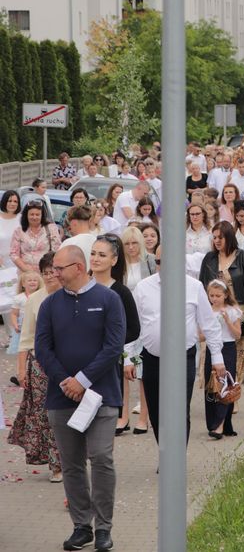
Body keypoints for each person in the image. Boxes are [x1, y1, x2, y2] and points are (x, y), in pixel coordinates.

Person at [35, 245, 126, 552]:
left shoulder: (109, 299)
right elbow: (43, 348)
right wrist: (65, 381)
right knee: (72, 464)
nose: (54, 274)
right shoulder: (50, 305)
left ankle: (104, 528)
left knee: (101, 457)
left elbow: (114, 346)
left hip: (101, 396)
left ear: (77, 267)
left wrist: (83, 380)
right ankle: (81, 526)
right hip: (61, 398)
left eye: (59, 269)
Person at [133, 247, 225, 443]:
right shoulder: (143, 287)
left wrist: (217, 358)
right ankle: (164, 452)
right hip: (152, 358)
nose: (163, 267)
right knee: (157, 412)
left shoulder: (194, 286)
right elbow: (134, 327)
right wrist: (129, 359)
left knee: (179, 410)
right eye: (158, 262)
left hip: (182, 357)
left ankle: (178, 459)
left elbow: (209, 324)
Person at [8, 252, 62, 482]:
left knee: (66, 414)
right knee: (45, 415)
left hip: (67, 363)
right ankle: (56, 464)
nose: (50, 276)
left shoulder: (70, 295)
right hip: (40, 364)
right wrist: (22, 371)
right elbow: (26, 339)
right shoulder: (35, 300)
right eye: (46, 272)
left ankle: (70, 459)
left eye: (53, 271)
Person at [90, 235, 144, 436]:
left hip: (109, 363)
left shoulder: (121, 292)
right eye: (93, 253)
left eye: (101, 255)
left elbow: (134, 329)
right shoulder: (79, 287)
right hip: (79, 363)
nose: (95, 259)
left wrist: (110, 344)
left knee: (103, 420)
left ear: (113, 260)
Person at [199, 221, 244, 386]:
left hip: (238, 311)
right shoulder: (209, 258)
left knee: (237, 356)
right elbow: (201, 287)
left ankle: (233, 392)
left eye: (221, 237)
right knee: (213, 351)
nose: (217, 241)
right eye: (214, 238)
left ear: (229, 237)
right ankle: (216, 390)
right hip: (214, 311)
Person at [203, 280, 242, 439]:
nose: (214, 298)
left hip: (227, 348)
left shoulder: (233, 311)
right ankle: (214, 423)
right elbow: (201, 334)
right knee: (211, 384)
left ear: (225, 295)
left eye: (218, 295)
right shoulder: (206, 311)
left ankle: (220, 424)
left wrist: (227, 321)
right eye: (211, 295)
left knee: (225, 385)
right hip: (211, 349)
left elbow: (237, 334)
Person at [10, 200, 61, 273]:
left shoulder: (51, 228)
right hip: (25, 275)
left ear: (42, 215)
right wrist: (27, 270)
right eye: (31, 214)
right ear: (26, 215)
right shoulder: (19, 231)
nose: (34, 217)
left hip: (46, 273)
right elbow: (13, 253)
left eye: (37, 215)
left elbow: (57, 251)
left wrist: (47, 269)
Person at [7, 269, 42, 357]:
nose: (32, 282)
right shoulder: (19, 298)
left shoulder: (41, 296)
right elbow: (14, 313)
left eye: (35, 280)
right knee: (25, 347)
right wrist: (15, 325)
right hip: (23, 327)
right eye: (29, 280)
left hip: (37, 325)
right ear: (23, 284)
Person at [121, 226, 158, 292]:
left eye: (134, 243)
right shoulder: (119, 262)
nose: (131, 247)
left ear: (140, 242)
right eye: (127, 244)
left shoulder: (151, 260)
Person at [62, 205, 97, 270]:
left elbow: (60, 265)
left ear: (74, 223)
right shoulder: (97, 241)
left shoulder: (68, 243)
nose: (69, 227)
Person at [0, 189, 21, 269]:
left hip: (18, 264)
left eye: (15, 201)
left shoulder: (22, 219)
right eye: (10, 201)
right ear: (4, 202)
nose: (12, 204)